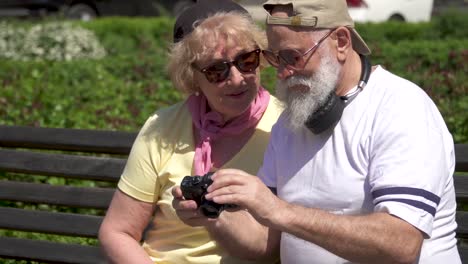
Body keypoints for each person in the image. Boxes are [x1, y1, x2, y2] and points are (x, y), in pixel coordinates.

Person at [201, 0, 461, 263]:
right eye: (275, 58)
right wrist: (211, 214)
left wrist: (280, 211)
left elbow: (401, 244)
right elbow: (265, 242)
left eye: (294, 56)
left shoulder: (401, 108)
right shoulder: (291, 121)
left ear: (341, 42)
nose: (282, 72)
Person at [98, 0, 283, 263]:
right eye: (216, 70)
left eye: (247, 60)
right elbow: (117, 231)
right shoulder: (162, 127)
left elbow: (269, 249)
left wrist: (211, 215)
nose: (237, 77)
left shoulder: (284, 128)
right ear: (191, 76)